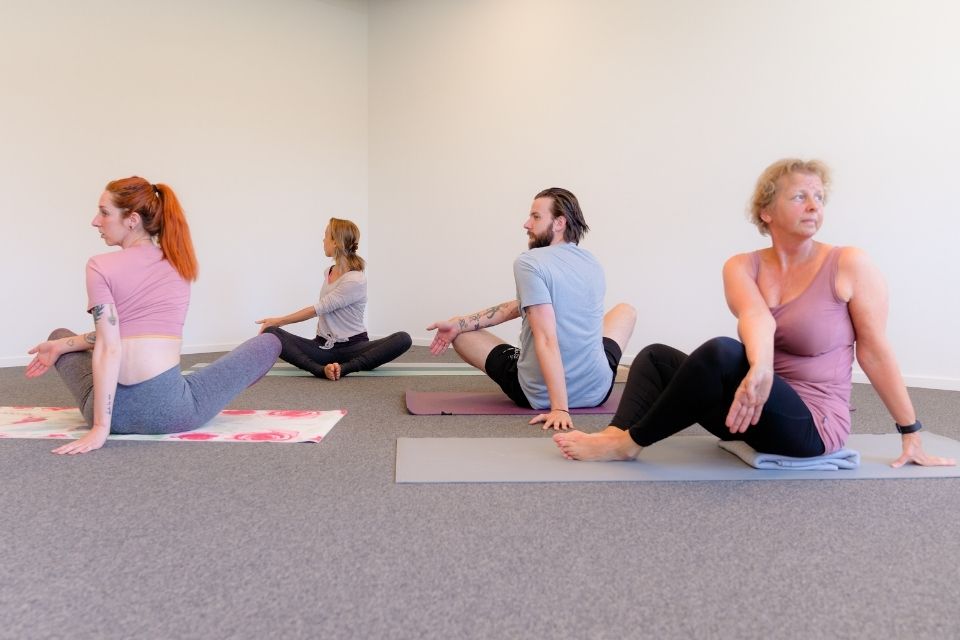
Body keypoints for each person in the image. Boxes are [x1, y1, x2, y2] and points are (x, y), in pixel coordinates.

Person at [554, 159, 955, 468]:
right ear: (766, 211)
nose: (814, 205)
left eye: (819, 197)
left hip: (811, 426)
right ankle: (614, 433)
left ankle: (628, 446)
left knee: (722, 352)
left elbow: (874, 351)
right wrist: (761, 368)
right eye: (800, 196)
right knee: (656, 357)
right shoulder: (743, 265)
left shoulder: (849, 264)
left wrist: (910, 431)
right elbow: (757, 318)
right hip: (751, 407)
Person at [26, 177, 281, 455]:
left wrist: (101, 426)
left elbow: (111, 343)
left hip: (112, 415)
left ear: (132, 219)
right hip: (172, 411)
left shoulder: (99, 266)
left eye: (104, 212)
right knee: (270, 342)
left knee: (58, 336)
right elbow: (115, 341)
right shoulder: (179, 263)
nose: (95, 221)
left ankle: (64, 349)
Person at [427, 187, 636, 431]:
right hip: (597, 390)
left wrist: (559, 408)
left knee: (462, 336)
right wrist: (460, 320)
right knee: (625, 311)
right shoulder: (591, 262)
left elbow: (546, 338)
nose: (527, 224)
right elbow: (520, 307)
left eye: (536, 217)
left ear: (559, 223)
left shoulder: (529, 262)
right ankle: (587, 371)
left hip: (541, 395)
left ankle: (551, 390)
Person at [255, 217, 411, 379]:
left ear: (335, 242)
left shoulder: (355, 279)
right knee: (270, 332)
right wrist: (274, 325)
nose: (323, 240)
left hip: (354, 349)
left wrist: (279, 320)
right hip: (322, 348)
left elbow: (318, 309)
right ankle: (319, 369)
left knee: (403, 339)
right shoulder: (328, 271)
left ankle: (345, 368)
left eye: (326, 235)